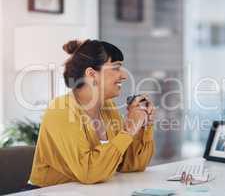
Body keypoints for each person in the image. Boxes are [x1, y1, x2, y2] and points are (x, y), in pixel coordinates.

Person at [29, 39, 155, 188]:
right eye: (116, 67)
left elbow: (131, 165)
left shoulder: (108, 107)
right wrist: (128, 130)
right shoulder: (61, 109)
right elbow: (89, 172)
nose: (124, 76)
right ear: (92, 74)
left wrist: (142, 126)